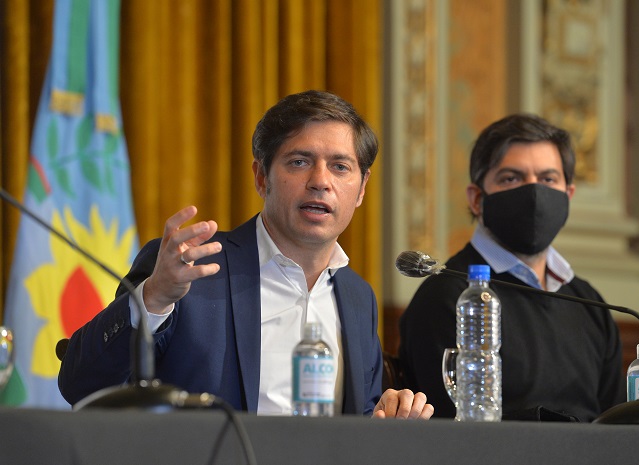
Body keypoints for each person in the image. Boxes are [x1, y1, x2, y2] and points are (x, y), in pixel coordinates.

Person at [59, 90, 433, 419]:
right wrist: (154, 296)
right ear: (261, 177)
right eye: (300, 161)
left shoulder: (357, 296)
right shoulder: (189, 270)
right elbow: (83, 386)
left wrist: (387, 425)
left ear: (362, 188)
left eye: (340, 166)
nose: (321, 181)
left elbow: (356, 423)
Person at [399, 113, 624, 422]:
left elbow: (615, 425)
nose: (533, 194)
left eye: (548, 179)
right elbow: (455, 433)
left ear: (567, 196)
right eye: (511, 178)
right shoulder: (447, 298)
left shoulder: (590, 302)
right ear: (477, 199)